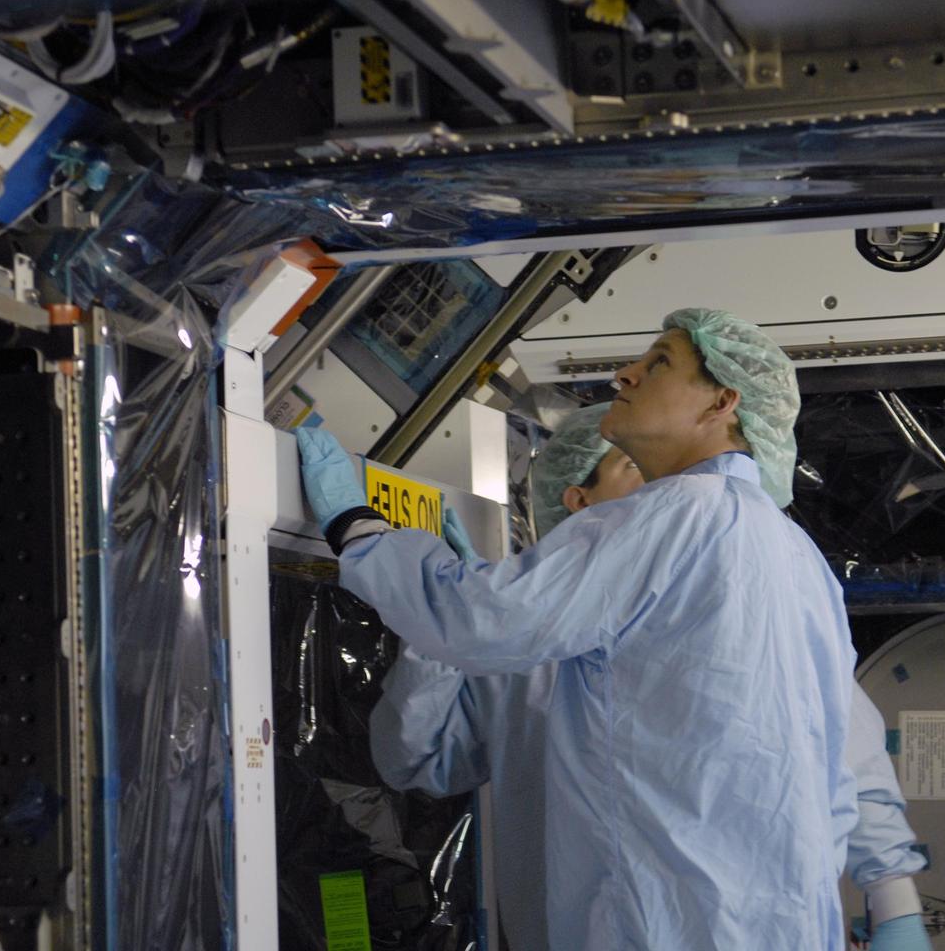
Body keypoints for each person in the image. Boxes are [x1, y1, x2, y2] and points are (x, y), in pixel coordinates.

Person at [298, 308, 857, 949]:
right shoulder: (799, 557)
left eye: (660, 363)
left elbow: (481, 621)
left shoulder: (677, 514)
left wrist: (358, 529)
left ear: (722, 403)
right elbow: (834, 782)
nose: (625, 374)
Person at [373, 403, 931, 951]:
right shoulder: (515, 645)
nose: (667, 492)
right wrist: (443, 634)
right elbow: (422, 762)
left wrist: (893, 900)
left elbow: (848, 754)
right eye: (635, 469)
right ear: (578, 501)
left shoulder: (742, 604)